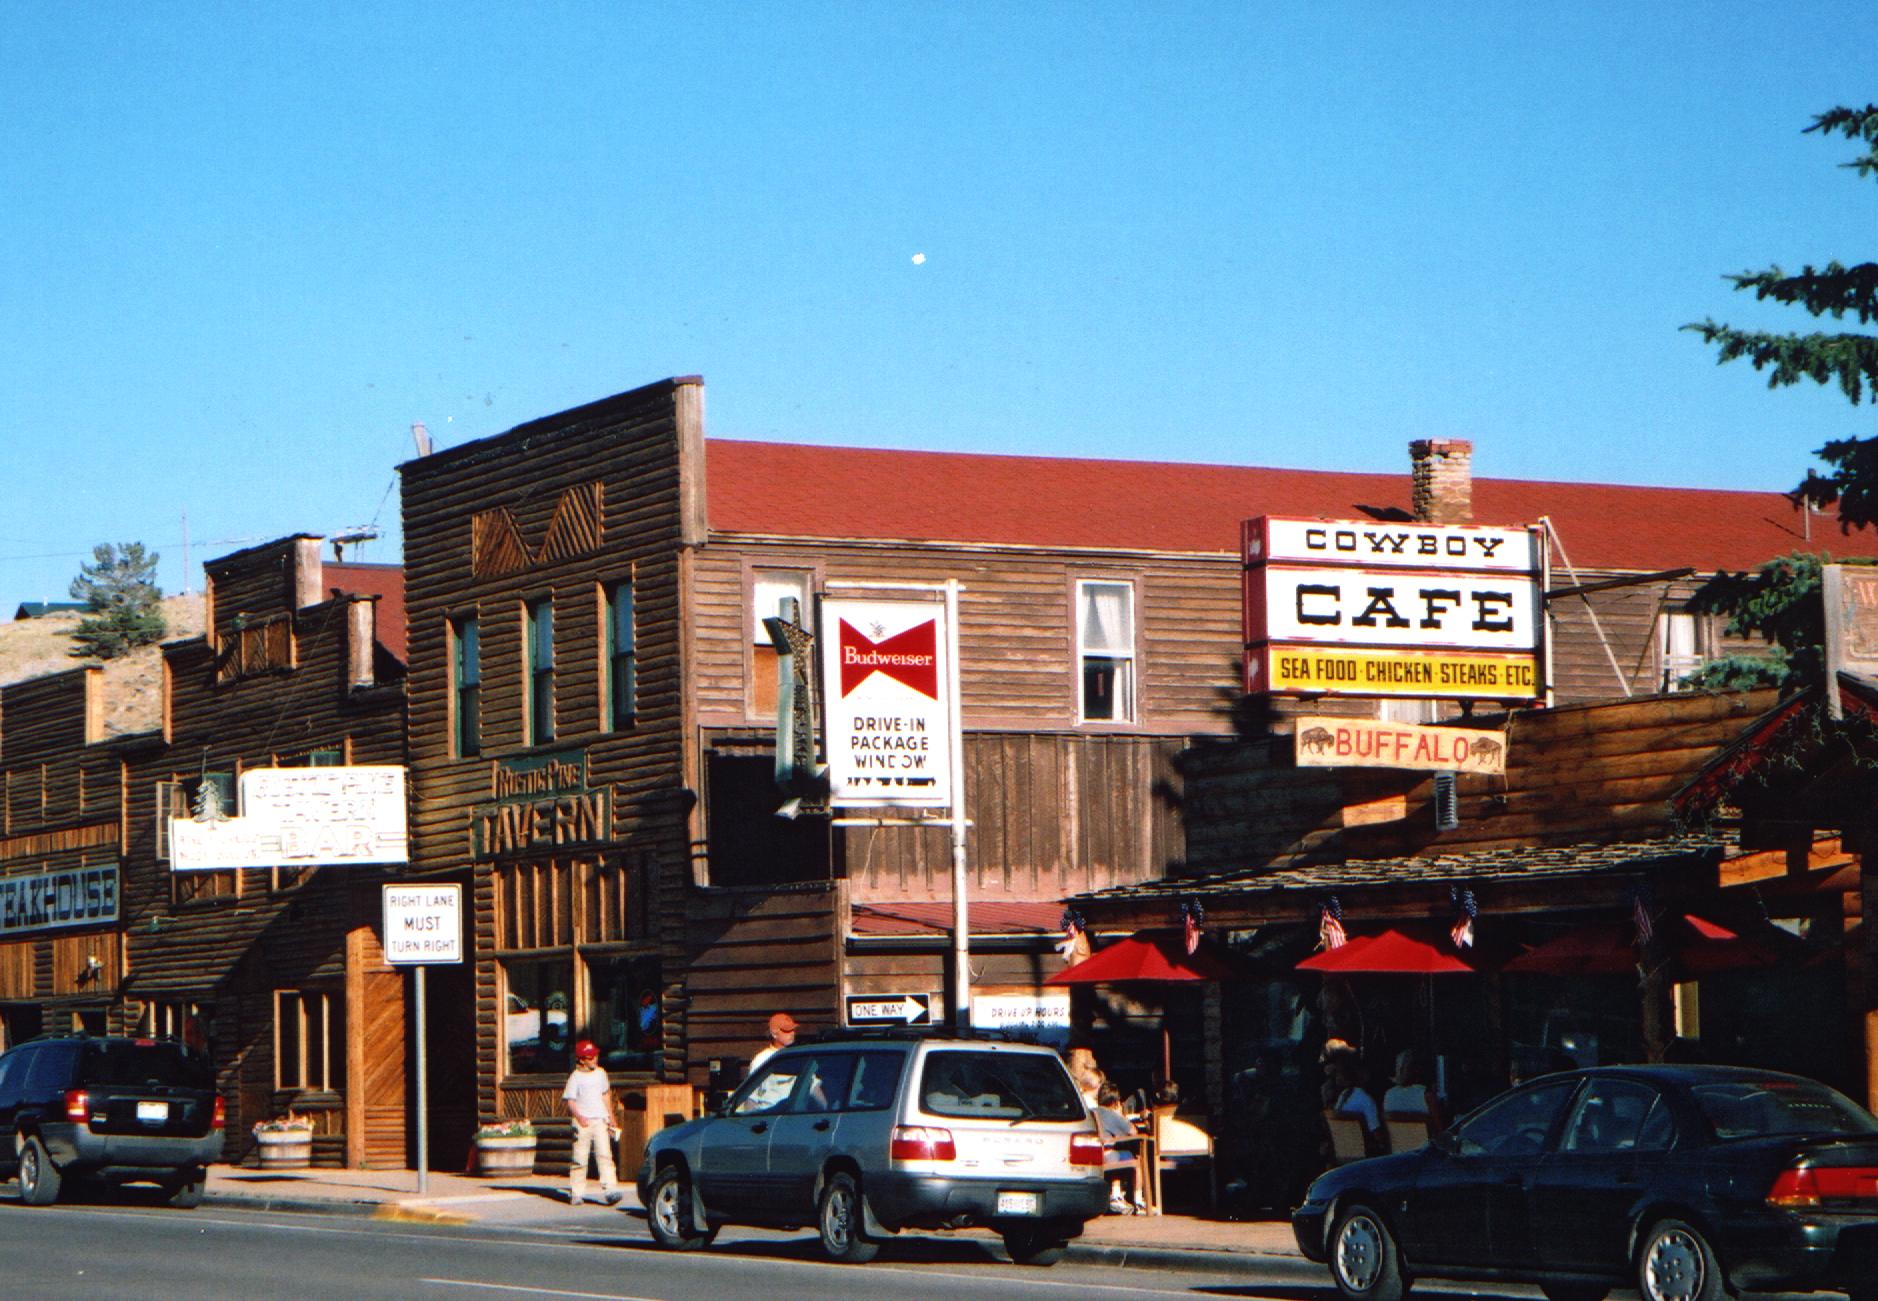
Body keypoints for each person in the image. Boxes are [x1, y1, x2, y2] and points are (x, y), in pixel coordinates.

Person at [562, 1038, 622, 1206]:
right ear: (581, 1059)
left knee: (605, 1155)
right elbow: (570, 1101)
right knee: (580, 1158)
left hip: (600, 1120)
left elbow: (605, 1095)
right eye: (590, 1057)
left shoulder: (601, 1073)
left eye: (595, 1056)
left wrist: (611, 1118)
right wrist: (579, 1117)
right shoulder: (575, 1077)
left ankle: (610, 1189)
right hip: (583, 1122)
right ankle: (577, 1192)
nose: (594, 1059)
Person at [1093, 1082, 1145, 1214]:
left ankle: (1116, 1194)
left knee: (1119, 1154)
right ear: (1116, 1102)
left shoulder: (1092, 1112)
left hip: (1095, 1154)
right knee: (1137, 1160)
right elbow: (1133, 1131)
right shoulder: (1112, 1115)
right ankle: (1138, 1201)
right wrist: (1121, 1115)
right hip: (1109, 1155)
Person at [1324, 1042, 1383, 1154]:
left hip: (1341, 1153)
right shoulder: (1365, 1100)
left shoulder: (1343, 1097)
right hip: (1360, 1157)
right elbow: (1376, 1133)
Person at [1383, 1048, 1442, 1126]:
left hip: (1399, 1138)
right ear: (1417, 1069)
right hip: (1423, 1138)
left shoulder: (1388, 1095)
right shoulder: (1427, 1096)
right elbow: (1440, 1130)